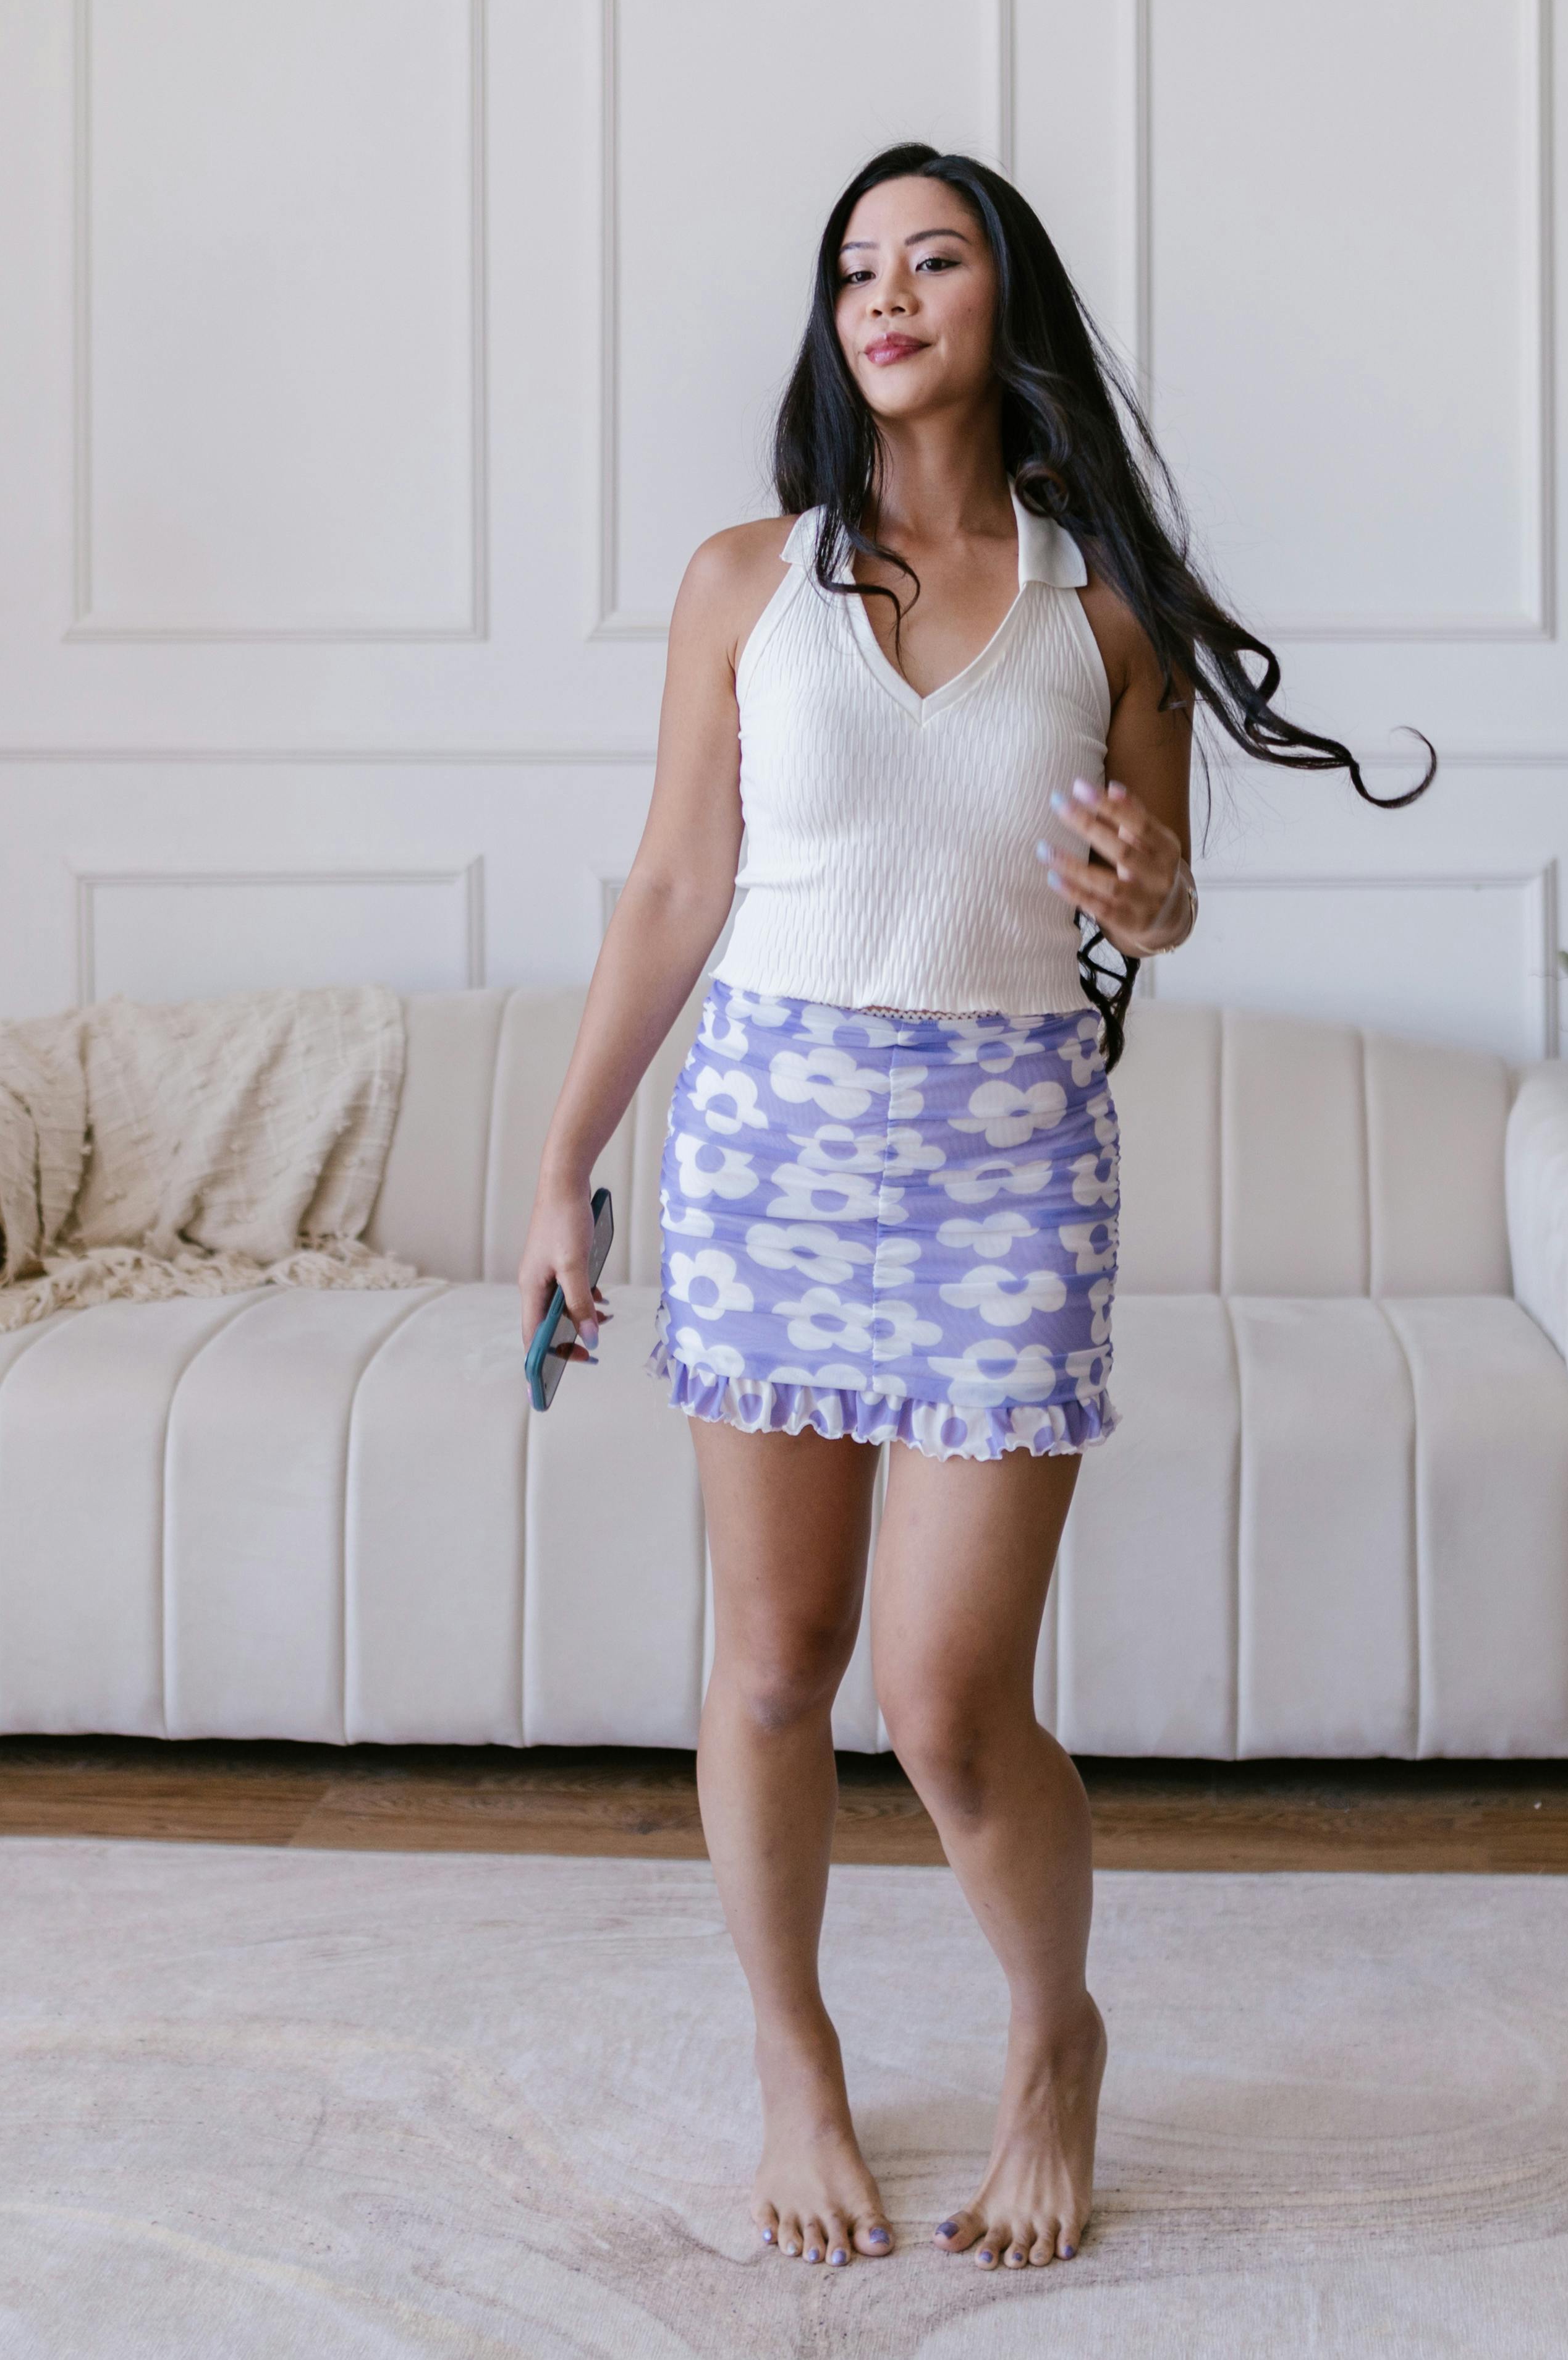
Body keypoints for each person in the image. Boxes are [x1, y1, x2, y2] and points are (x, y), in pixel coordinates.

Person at [517, 142, 1433, 2277]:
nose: (887, 292)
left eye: (932, 258)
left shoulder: (1096, 593)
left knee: (941, 1701)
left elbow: (1163, 889)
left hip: (1006, 1156)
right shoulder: (745, 577)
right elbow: (672, 887)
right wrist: (564, 1163)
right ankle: (795, 2065)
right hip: (765, 1142)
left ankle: (1051, 2045)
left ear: (999, 301)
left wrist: (1153, 893)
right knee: (772, 1666)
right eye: (856, 266)